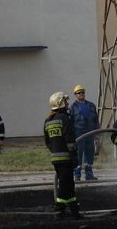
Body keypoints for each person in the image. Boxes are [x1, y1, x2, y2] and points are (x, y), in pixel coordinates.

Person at [44, 91, 81, 219]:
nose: (67, 103)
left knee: (69, 185)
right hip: (66, 158)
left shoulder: (48, 121)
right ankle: (59, 209)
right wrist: (74, 156)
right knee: (65, 185)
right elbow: (69, 140)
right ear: (60, 103)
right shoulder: (65, 118)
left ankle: (74, 210)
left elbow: (47, 142)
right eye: (65, 101)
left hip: (55, 158)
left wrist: (55, 151)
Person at [70, 84, 99, 181]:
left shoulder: (91, 105)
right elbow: (71, 122)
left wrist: (97, 132)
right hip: (78, 134)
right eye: (79, 93)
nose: (81, 94)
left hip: (90, 133)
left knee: (89, 154)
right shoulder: (73, 108)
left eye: (82, 92)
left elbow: (95, 120)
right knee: (78, 154)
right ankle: (77, 175)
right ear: (75, 95)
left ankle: (89, 174)